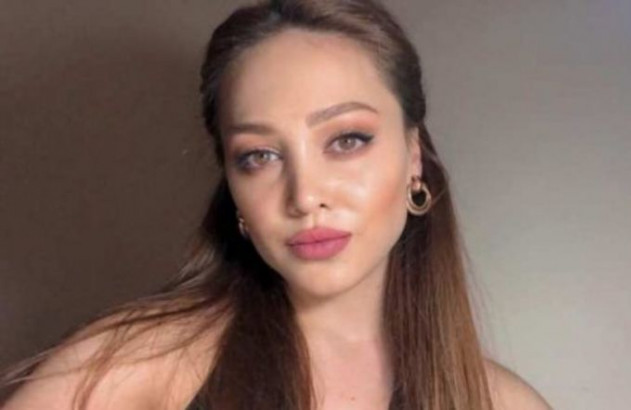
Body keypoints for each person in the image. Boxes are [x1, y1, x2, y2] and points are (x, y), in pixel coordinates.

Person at [1, 0, 552, 409]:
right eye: (259, 156)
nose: (305, 195)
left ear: (413, 155)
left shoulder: (500, 402)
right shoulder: (149, 359)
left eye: (347, 140)